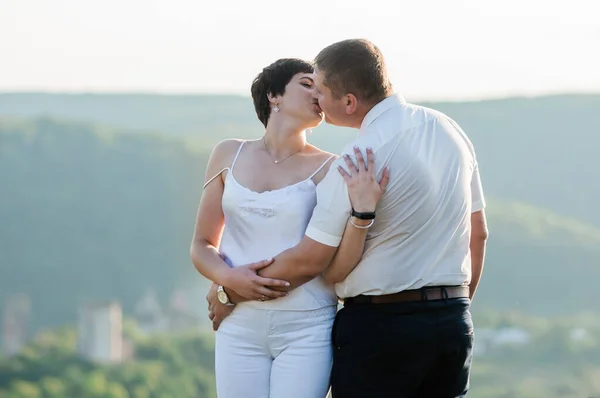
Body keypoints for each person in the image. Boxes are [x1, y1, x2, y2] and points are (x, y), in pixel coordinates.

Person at [208, 39, 489, 397]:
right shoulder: (450, 129)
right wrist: (457, 309)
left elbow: (319, 263)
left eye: (321, 91)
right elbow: (478, 234)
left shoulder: (357, 159)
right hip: (453, 323)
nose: (318, 102)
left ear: (349, 103)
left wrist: (230, 290)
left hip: (381, 329)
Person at [190, 58, 389, 398]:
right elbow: (202, 244)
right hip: (237, 325)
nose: (319, 94)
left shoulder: (332, 168)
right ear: (273, 95)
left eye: (322, 88)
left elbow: (331, 263)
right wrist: (227, 281)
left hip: (306, 326)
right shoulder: (227, 154)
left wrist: (362, 216)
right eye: (307, 84)